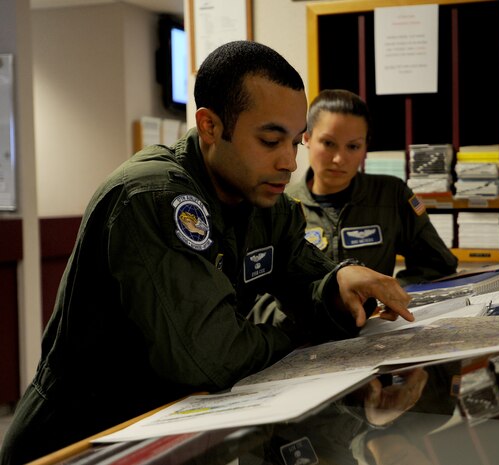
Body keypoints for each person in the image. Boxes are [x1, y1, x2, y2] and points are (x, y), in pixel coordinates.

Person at [0, 41, 413, 465]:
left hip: (180, 430)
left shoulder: (263, 201)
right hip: (85, 440)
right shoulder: (154, 197)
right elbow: (212, 358)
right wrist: (301, 335)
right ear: (210, 126)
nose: (289, 162)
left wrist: (340, 280)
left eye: (296, 143)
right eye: (271, 141)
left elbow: (312, 282)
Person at [287, 89, 458, 286]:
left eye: (353, 147)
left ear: (365, 146)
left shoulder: (391, 194)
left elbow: (439, 265)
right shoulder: (283, 207)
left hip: (375, 316)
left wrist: (390, 291)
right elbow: (261, 296)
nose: (339, 159)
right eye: (328, 143)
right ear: (306, 138)